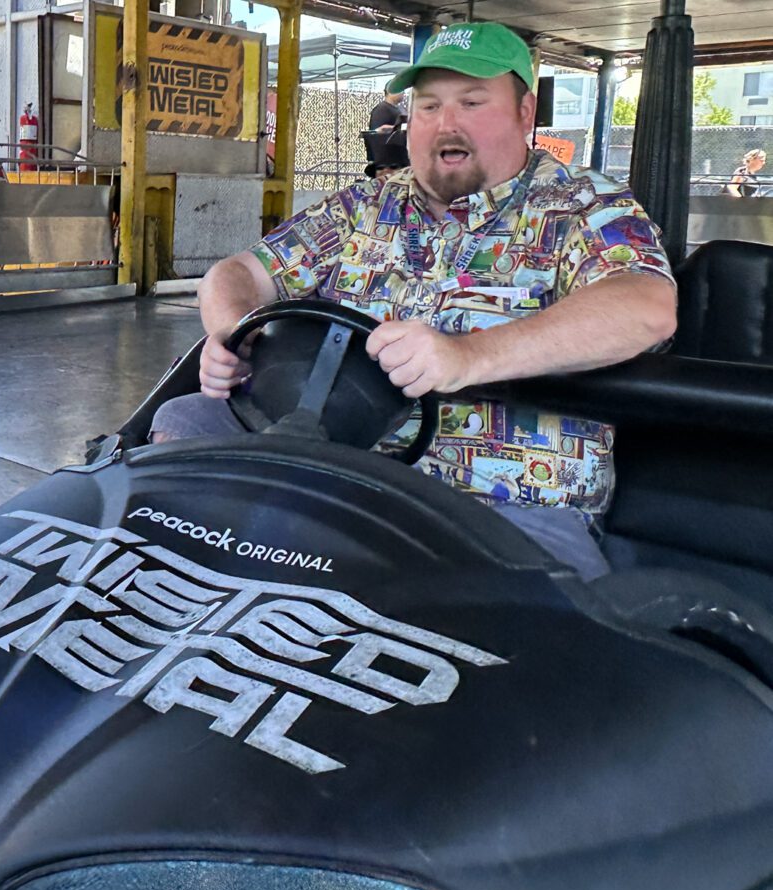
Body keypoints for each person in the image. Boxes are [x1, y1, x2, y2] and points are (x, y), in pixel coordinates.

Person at [150, 22, 677, 581]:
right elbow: (237, 274)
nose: (445, 124)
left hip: (499, 504)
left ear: (526, 113)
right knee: (183, 419)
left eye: (471, 102)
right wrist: (234, 332)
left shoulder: (584, 205)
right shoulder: (364, 205)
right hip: (330, 462)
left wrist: (468, 356)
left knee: (550, 623)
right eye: (427, 107)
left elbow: (644, 305)